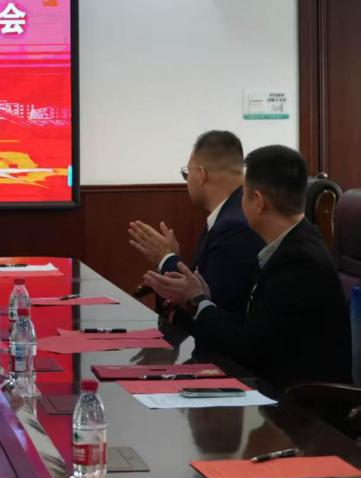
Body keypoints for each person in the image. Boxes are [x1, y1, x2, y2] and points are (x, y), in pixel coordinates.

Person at [143, 145, 351, 390]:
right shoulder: (293, 244)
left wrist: (196, 301)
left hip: (298, 402)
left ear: (258, 202)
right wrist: (204, 298)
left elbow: (247, 347)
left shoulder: (298, 262)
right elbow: (255, 328)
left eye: (242, 195)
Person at [128, 130, 263, 314]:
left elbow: (209, 306)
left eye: (187, 174)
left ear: (200, 174)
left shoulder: (234, 226)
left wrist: (166, 259)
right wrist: (170, 258)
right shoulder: (230, 213)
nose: (187, 182)